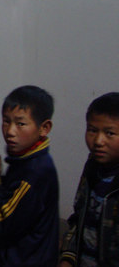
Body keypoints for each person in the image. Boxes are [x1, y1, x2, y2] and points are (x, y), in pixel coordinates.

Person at [0, 85, 59, 267]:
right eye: (6, 121)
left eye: (20, 124)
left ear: (44, 128)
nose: (10, 131)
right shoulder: (24, 160)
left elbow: (2, 222)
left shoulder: (35, 172)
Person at [59, 92, 119, 266]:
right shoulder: (92, 167)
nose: (98, 141)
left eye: (110, 133)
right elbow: (79, 218)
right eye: (92, 130)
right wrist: (68, 256)